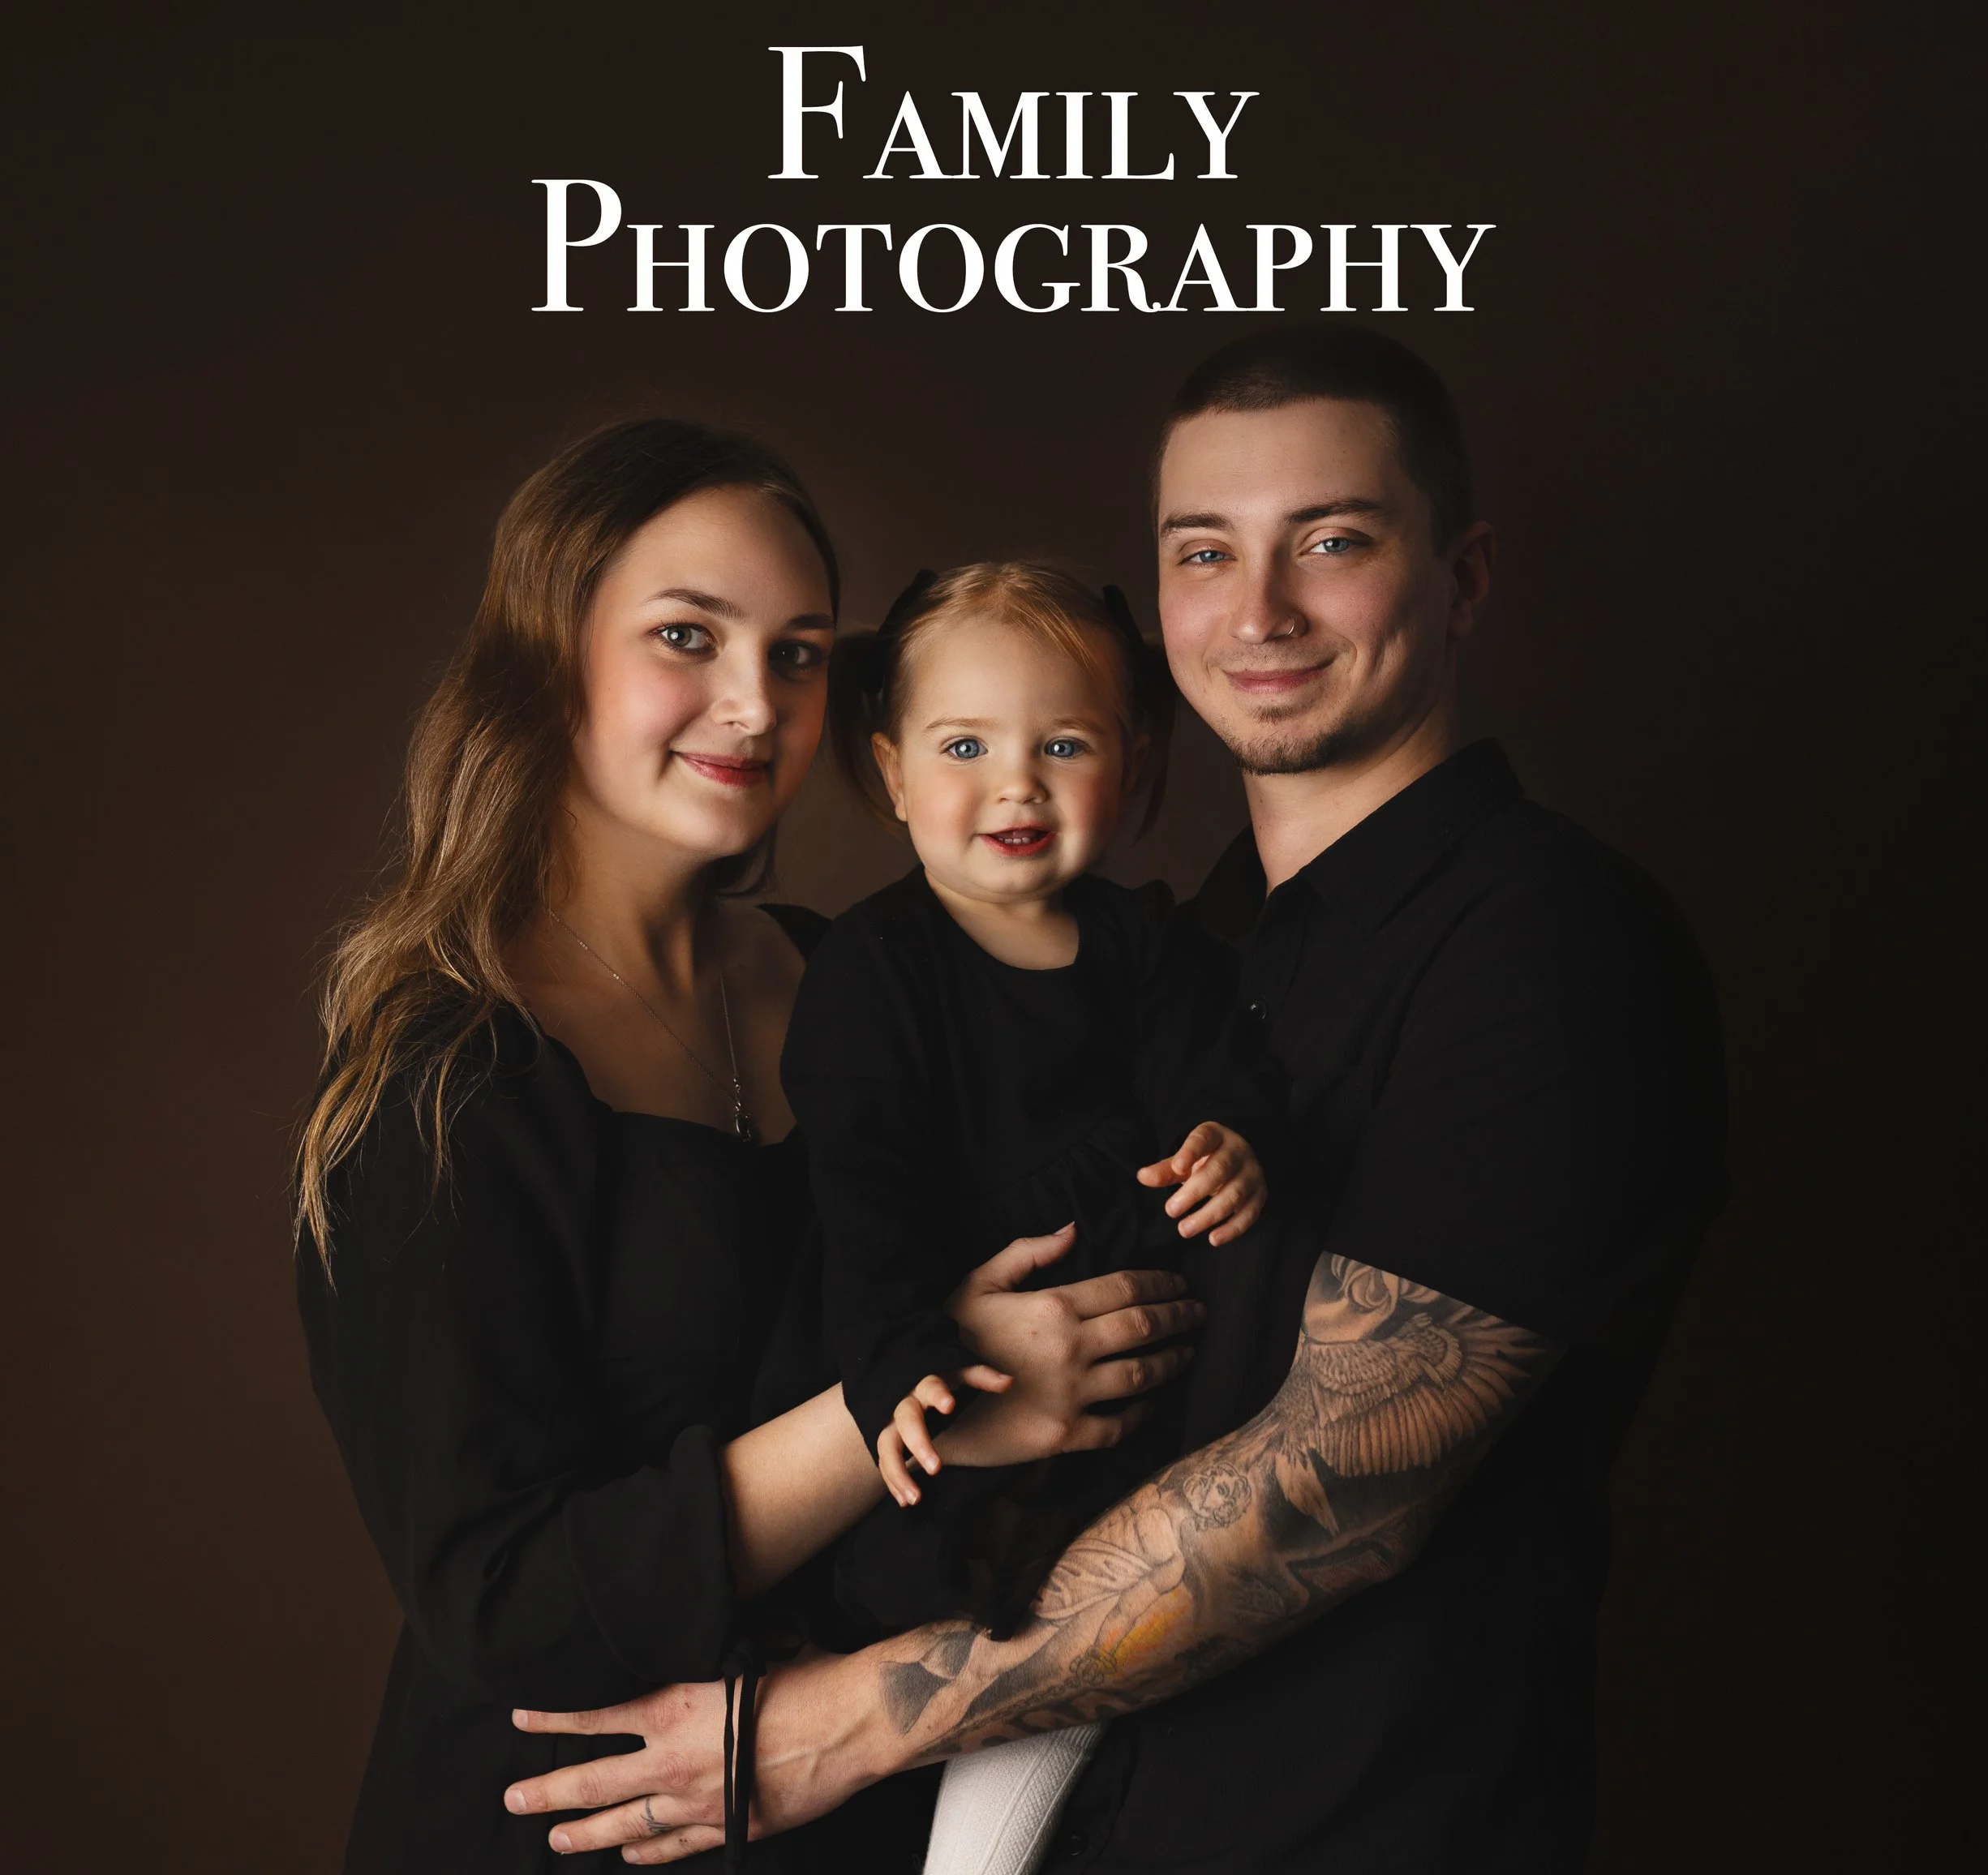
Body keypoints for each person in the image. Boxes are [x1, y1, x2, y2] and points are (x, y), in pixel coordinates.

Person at [496, 326, 1728, 1875]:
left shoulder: (1539, 940)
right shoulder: (1192, 943)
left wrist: (839, 1722)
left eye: (1333, 541)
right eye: (1205, 552)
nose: (1260, 610)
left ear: (1464, 576)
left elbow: (1334, 1489)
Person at [293, 418, 1201, 1873]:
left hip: (850, 1801)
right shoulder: (449, 1078)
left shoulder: (854, 977)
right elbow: (498, 1597)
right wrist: (923, 1398)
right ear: (550, 660)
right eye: (685, 637)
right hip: (572, 1829)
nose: (752, 703)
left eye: (795, 652)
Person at [784, 562, 1279, 1875]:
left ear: (1139, 771)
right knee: (1003, 1687)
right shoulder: (874, 975)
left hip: (1154, 1415)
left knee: (1146, 1691)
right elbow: (862, 1200)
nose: (1017, 785)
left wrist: (1234, 1142)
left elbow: (1220, 1084)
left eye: (1064, 745)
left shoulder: (1146, 952)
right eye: (965, 747)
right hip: (980, 1424)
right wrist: (902, 1368)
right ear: (890, 774)